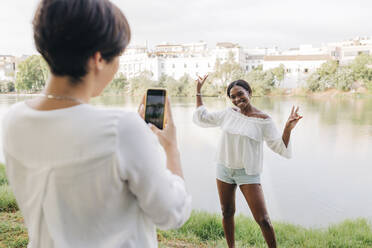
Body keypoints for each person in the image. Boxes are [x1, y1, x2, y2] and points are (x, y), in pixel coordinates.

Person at [2, 0, 191, 247]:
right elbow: (171, 214)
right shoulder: (121, 128)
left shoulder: (14, 120)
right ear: (99, 58)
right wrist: (171, 149)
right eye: (118, 56)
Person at [193, 75, 302, 248]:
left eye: (240, 94)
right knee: (227, 212)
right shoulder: (228, 114)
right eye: (233, 97)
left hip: (248, 173)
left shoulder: (263, 120)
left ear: (249, 93)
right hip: (224, 169)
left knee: (263, 219)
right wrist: (198, 91)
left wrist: (288, 128)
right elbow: (202, 118)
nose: (237, 99)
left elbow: (280, 147)